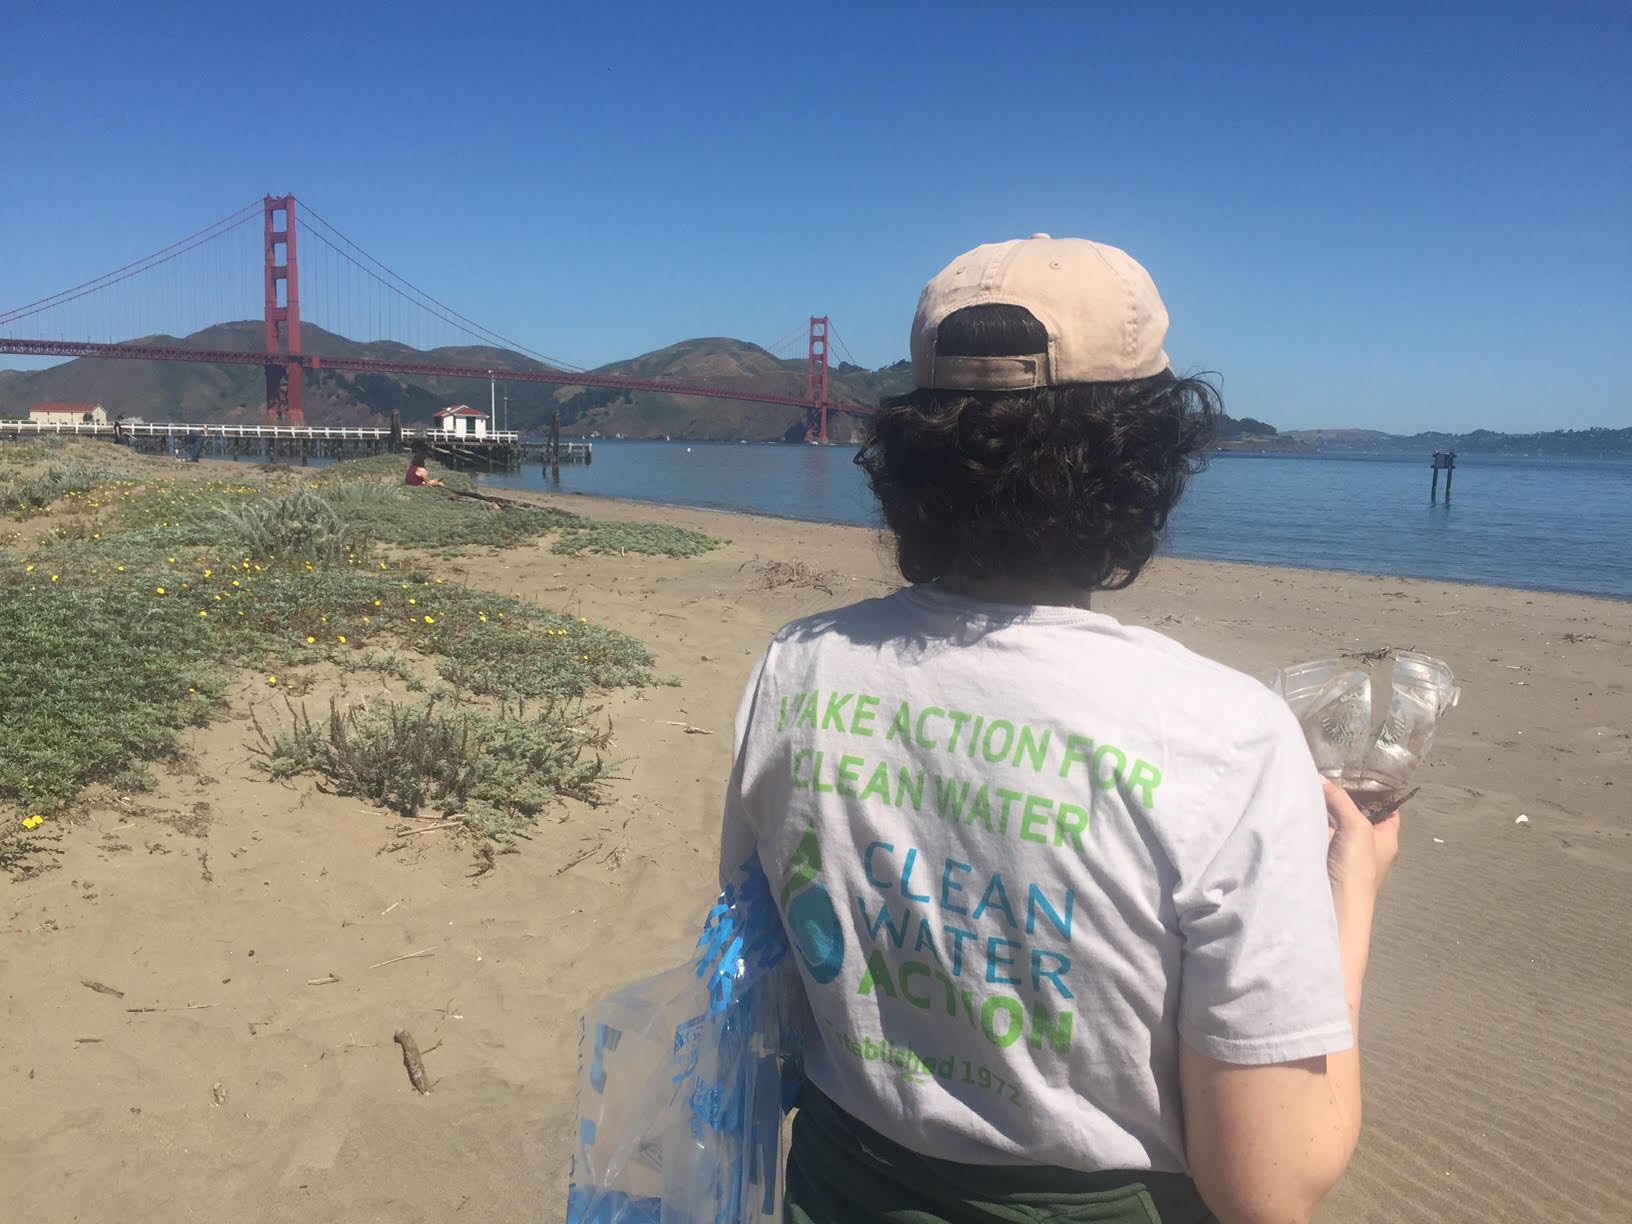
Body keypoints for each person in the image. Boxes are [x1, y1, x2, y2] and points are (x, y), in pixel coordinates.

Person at [716, 235, 1398, 1224]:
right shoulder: (1225, 734)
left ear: (913, 449)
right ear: (1145, 459)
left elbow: (772, 984)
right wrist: (1356, 891)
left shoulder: (794, 666)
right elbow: (1271, 1184)